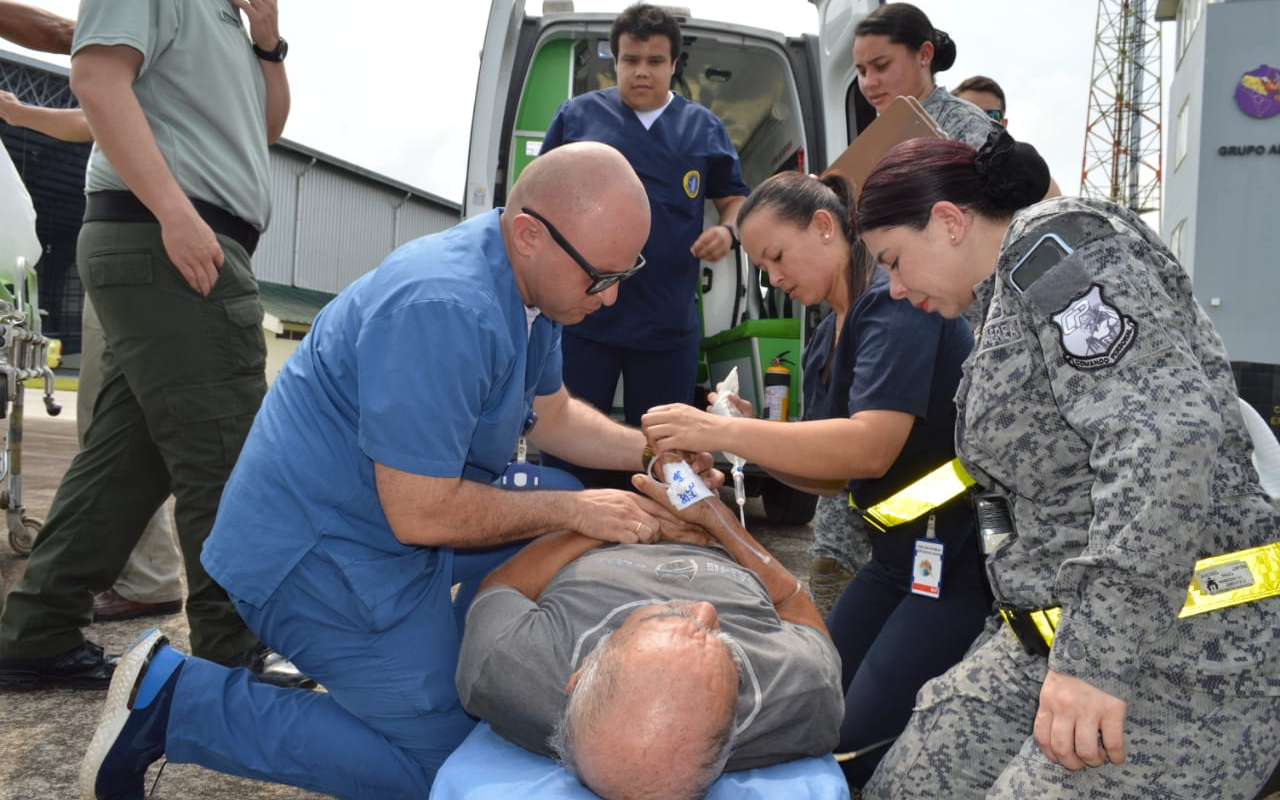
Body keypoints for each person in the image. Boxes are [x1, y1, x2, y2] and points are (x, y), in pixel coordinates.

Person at [79, 141, 725, 800]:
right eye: (601, 279)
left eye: (623, 275)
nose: (610, 300)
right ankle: (174, 700)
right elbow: (419, 513)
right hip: (317, 554)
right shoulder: (445, 305)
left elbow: (552, 417)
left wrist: (651, 455)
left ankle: (456, 663)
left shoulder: (538, 289)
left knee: (563, 502)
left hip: (380, 523)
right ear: (530, 234)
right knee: (441, 768)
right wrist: (581, 509)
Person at [854, 130, 1280, 798]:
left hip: (1186, 649)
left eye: (895, 260)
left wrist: (1094, 663)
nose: (897, 288)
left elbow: (1161, 438)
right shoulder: (997, 304)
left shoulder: (1058, 249)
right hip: (1050, 640)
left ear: (947, 220)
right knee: (906, 786)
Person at [642, 171, 990, 788]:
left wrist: (718, 433)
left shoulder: (894, 301)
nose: (773, 278)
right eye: (761, 268)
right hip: (895, 559)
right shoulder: (828, 333)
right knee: (813, 695)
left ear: (825, 227)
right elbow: (830, 478)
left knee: (853, 741)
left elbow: (870, 449)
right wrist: (744, 447)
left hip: (955, 563)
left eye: (776, 256)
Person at [0, 0, 302, 688]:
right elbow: (97, 78)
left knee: (124, 465)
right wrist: (175, 213)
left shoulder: (227, 17)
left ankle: (35, 632)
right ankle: (236, 648)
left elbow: (265, 130)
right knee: (224, 453)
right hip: (172, 238)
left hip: (182, 239)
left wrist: (267, 41)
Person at [801, 2, 1013, 613]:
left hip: (955, 331)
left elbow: (1005, 229)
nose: (869, 83)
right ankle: (849, 574)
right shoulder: (871, 141)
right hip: (885, 322)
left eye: (881, 66)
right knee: (858, 488)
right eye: (861, 71)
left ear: (924, 55)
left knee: (936, 484)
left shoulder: (969, 131)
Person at [456, 470, 842, 800]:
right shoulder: (804, 691)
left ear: (580, 675)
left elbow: (504, 585)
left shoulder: (509, 666)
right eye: (725, 650)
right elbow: (792, 600)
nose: (705, 609)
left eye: (660, 618)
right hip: (723, 547)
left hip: (603, 540)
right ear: (733, 731)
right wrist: (718, 522)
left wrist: (621, 522)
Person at [0, 0, 186, 625]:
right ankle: (148, 572)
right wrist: (21, 113)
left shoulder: (155, 22)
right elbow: (94, 117)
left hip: (138, 239)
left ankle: (147, 578)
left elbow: (68, 38)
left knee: (114, 415)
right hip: (151, 237)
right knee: (126, 414)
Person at [537, 3, 749, 487]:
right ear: (615, 60)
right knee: (568, 440)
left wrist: (728, 230)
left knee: (665, 448)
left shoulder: (703, 128)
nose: (641, 71)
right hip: (584, 317)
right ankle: (565, 530)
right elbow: (537, 197)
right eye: (630, 59)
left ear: (674, 64)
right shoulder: (578, 117)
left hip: (666, 326)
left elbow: (736, 201)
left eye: (655, 61)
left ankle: (656, 544)